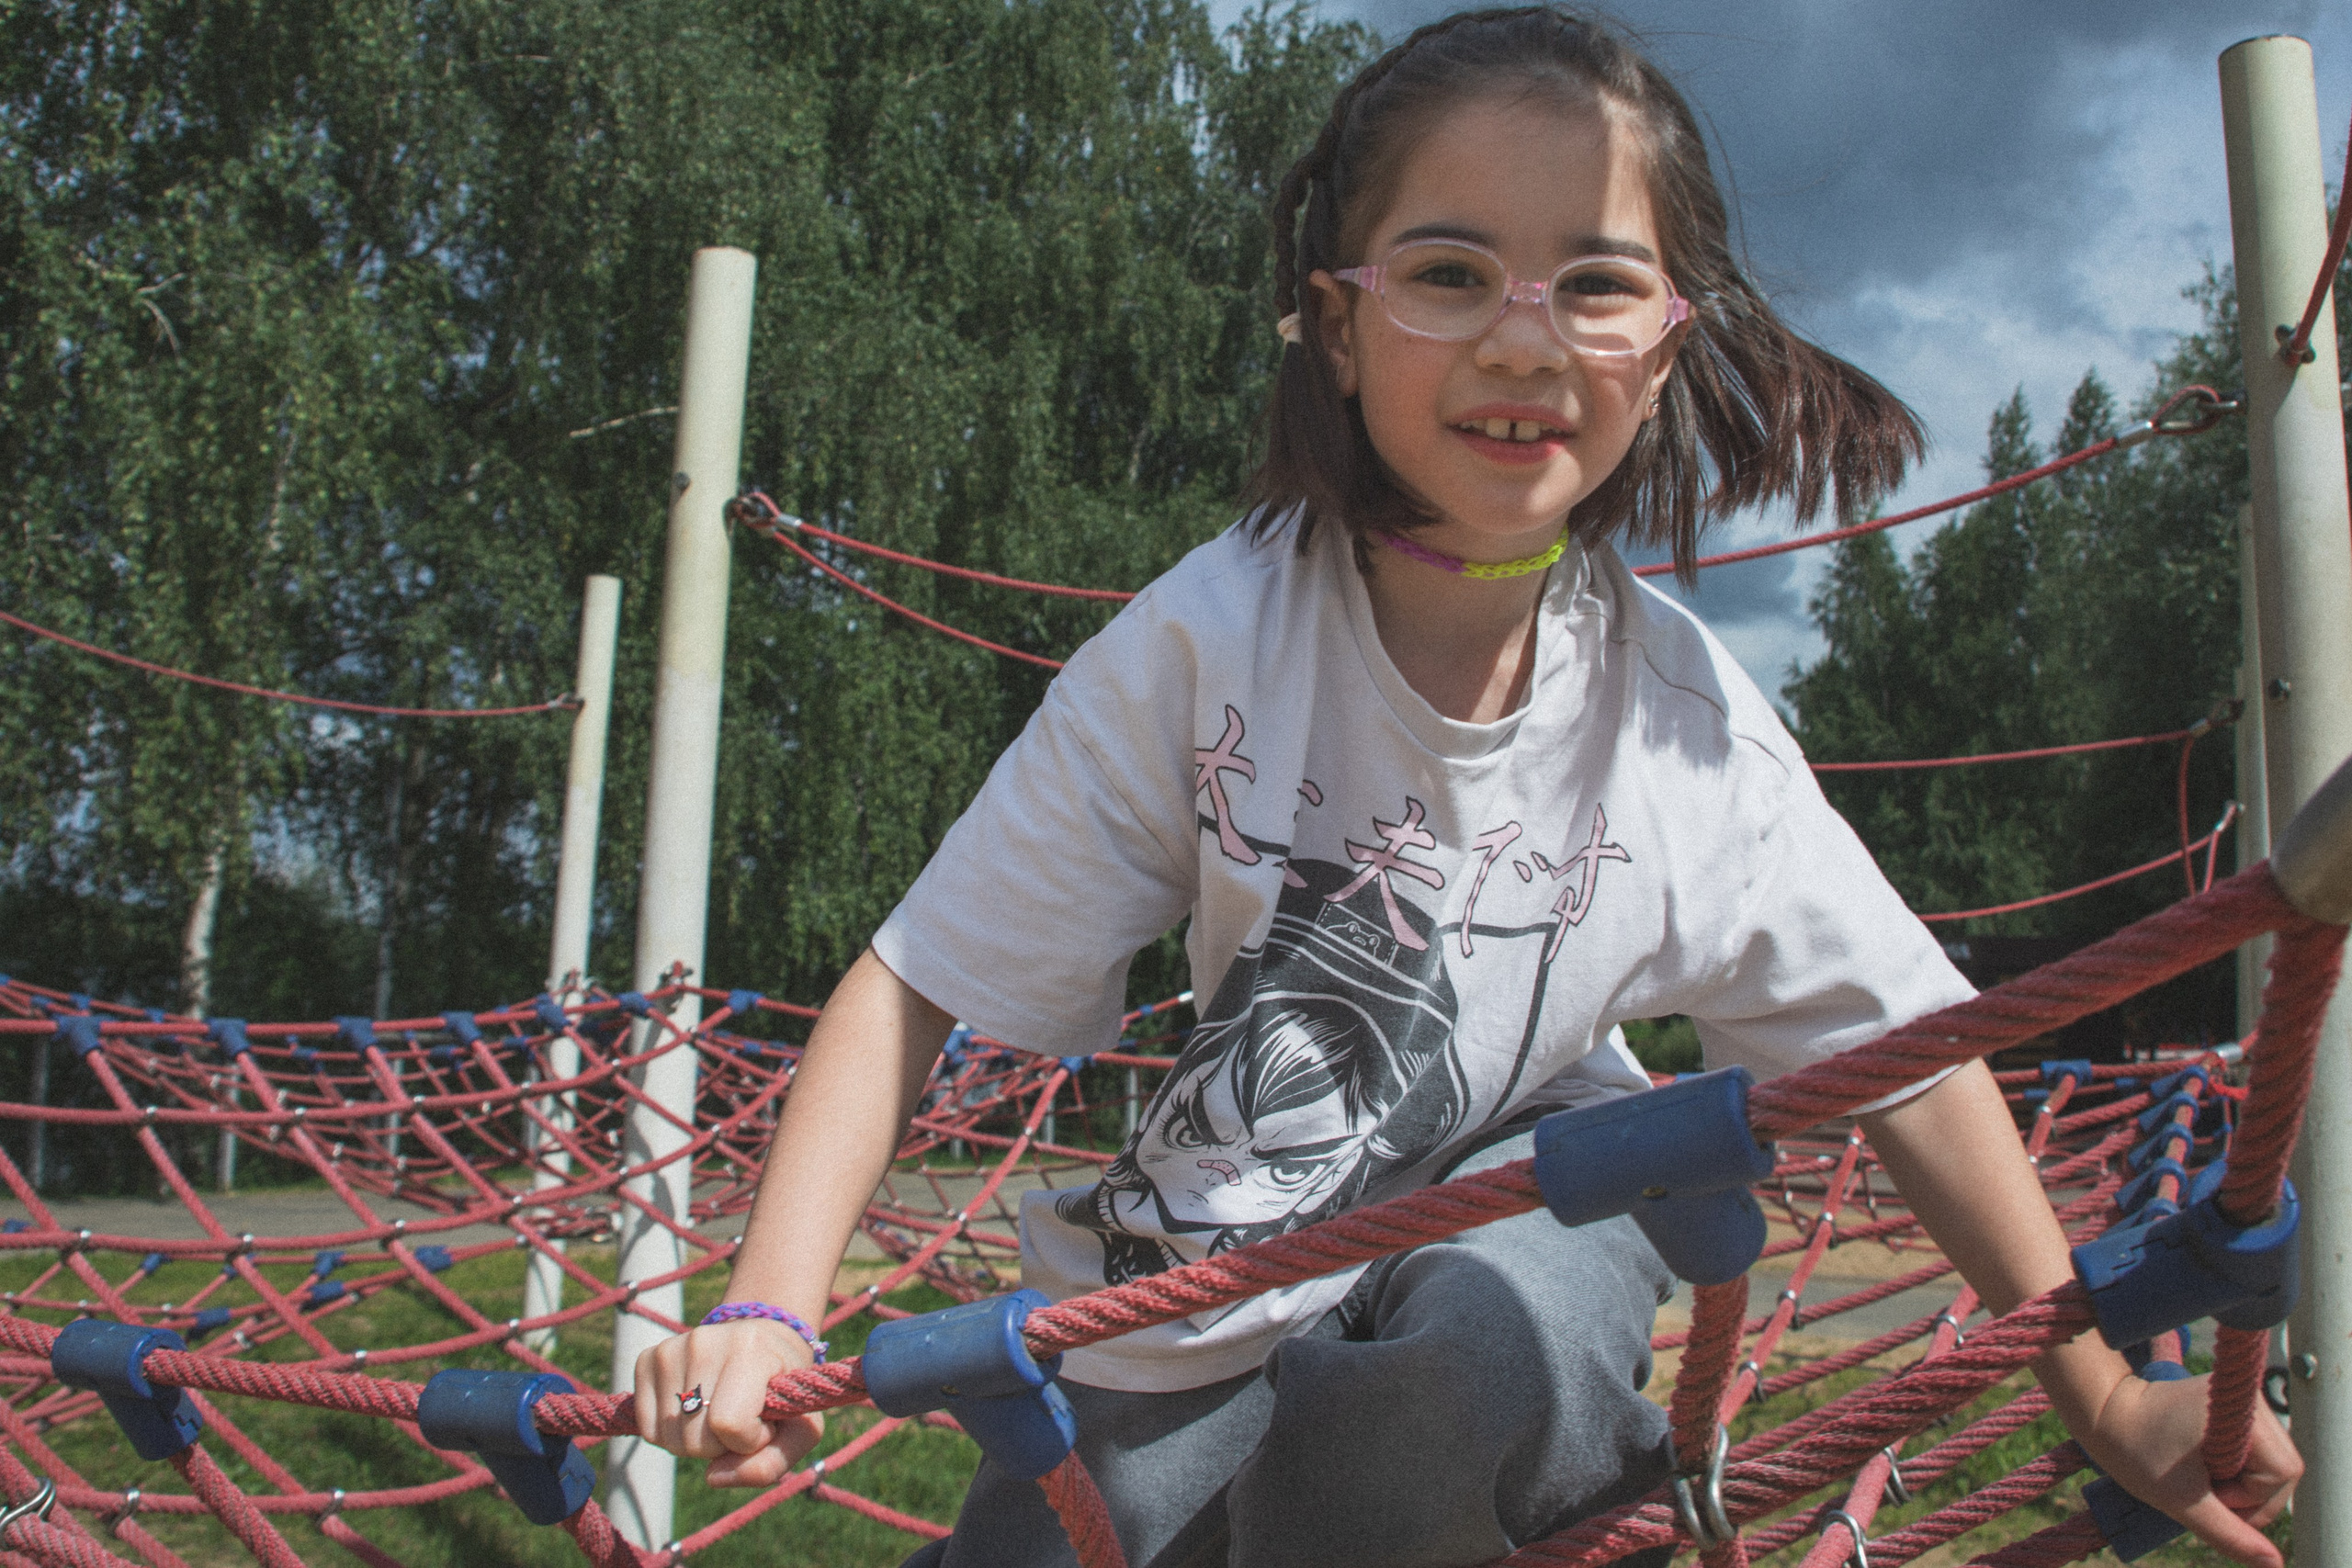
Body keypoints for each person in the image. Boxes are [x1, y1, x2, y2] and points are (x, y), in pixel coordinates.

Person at [634, 9, 2301, 1566]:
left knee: (1437, 1381)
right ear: (1337, 324)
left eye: (1592, 282)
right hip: (1223, 1245)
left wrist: (2098, 1388)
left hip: (1531, 1213)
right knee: (1056, 1529)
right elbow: (918, 981)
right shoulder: (1211, 643)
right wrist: (773, 1309)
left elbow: (1909, 1060)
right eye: (1448, 271)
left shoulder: (1683, 730)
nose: (1522, 341)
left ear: (1664, 345)